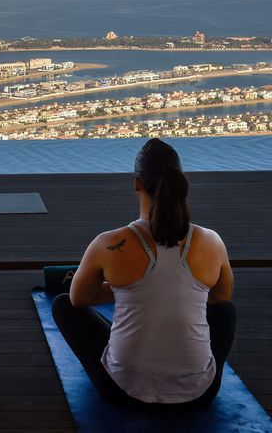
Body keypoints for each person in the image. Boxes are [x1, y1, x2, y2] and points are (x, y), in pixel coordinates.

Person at [52, 138, 235, 407]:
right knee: (226, 311)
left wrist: (127, 288)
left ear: (137, 184)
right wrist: (176, 291)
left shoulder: (108, 243)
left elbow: (78, 299)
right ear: (181, 182)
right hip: (199, 394)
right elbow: (222, 296)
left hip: (123, 393)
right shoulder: (211, 241)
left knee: (62, 305)